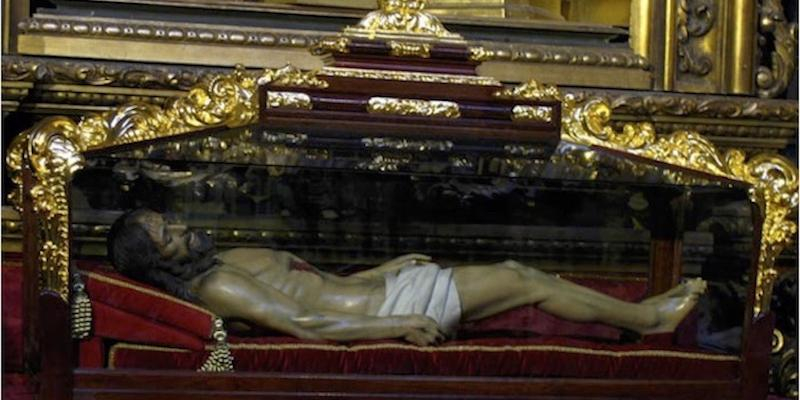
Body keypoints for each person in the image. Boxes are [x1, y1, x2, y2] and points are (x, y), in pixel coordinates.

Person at [108, 209, 706, 346]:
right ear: (161, 261)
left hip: (388, 291)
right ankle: (649, 320)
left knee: (524, 275)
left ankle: (642, 315)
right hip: (387, 313)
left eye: (171, 219)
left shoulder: (224, 259)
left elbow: (314, 283)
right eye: (170, 235)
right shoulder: (217, 287)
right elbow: (307, 321)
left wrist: (383, 269)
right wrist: (400, 324)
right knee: (526, 278)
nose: (183, 226)